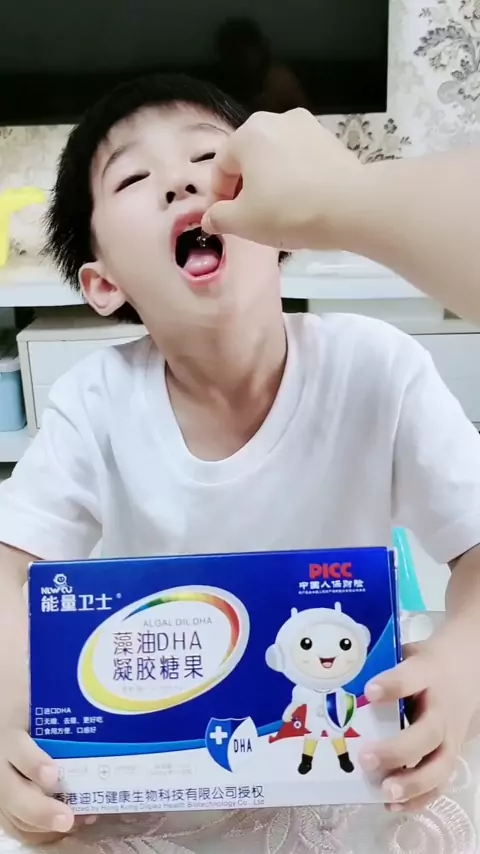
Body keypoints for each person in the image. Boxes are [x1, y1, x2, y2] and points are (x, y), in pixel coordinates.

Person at [0, 74, 480, 843]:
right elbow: (9, 570)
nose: (180, 182)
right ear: (103, 282)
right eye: (132, 178)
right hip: (169, 753)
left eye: (209, 159)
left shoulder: (377, 366)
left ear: (284, 221)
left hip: (339, 744)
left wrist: (461, 662)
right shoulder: (94, 400)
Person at [201, 107, 480, 322]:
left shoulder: (384, 359)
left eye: (204, 157)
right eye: (154, 174)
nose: (181, 182)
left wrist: (338, 193)